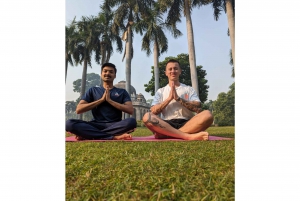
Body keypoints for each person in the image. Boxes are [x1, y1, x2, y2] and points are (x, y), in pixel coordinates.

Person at [142, 59, 213, 140]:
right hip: (167, 124)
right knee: (147, 117)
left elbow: (198, 106)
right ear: (166, 73)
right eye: (170, 69)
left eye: (175, 68)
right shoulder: (160, 91)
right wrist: (169, 99)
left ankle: (168, 134)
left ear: (180, 71)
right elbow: (154, 111)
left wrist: (178, 99)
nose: (173, 71)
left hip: (187, 123)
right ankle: (188, 136)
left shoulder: (188, 89)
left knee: (208, 114)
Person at [66, 63, 136, 140]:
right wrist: (101, 100)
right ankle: (113, 137)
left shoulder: (122, 92)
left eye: (111, 72)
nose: (107, 73)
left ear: (115, 75)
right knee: (69, 123)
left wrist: (110, 101)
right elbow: (79, 109)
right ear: (101, 74)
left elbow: (130, 110)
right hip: (95, 124)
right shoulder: (93, 90)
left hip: (115, 125)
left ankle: (89, 134)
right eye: (105, 71)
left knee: (131, 122)